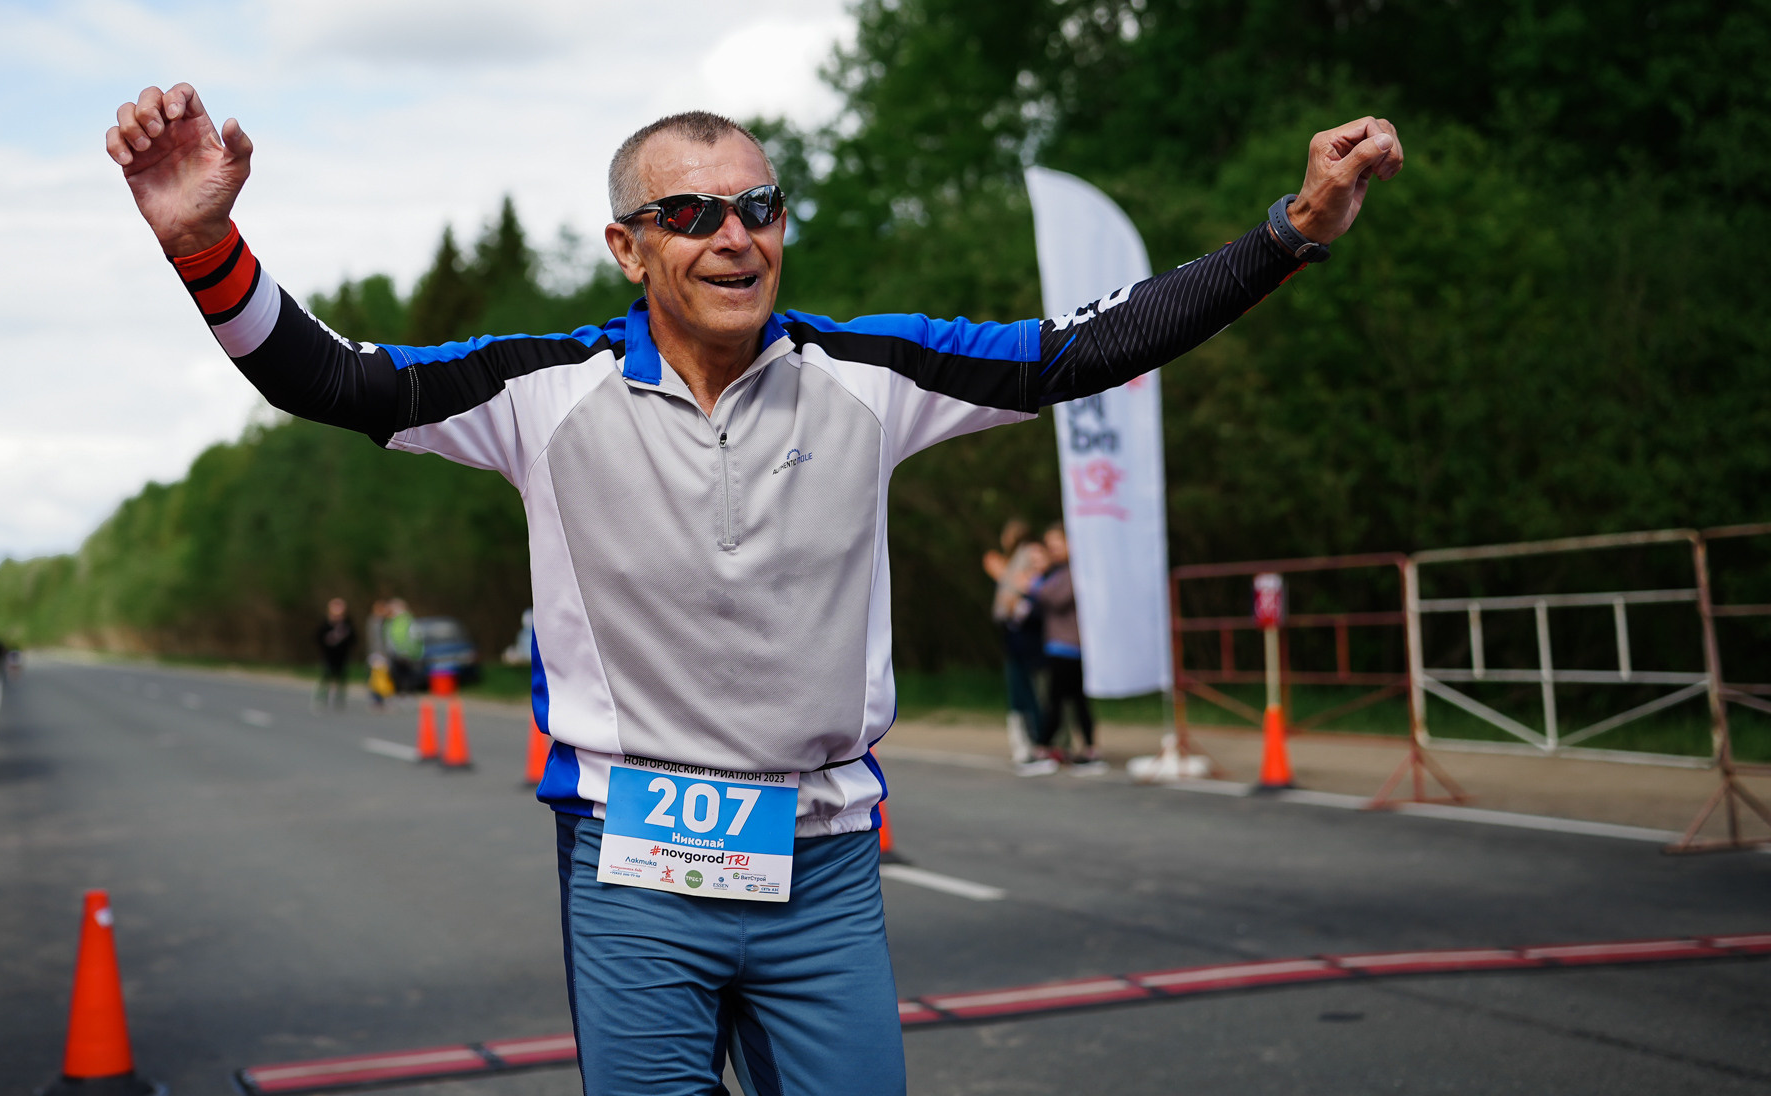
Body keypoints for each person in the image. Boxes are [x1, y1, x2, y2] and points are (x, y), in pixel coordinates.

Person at [107, 84, 1400, 1096]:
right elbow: (330, 379)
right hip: (632, 862)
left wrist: (1291, 234)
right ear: (627, 246)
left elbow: (1086, 347)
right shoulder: (540, 391)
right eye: (694, 214)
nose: (736, 235)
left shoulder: (870, 375)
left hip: (822, 861)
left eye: (760, 208)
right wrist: (209, 250)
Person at [1029, 524, 1103, 773]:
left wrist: (1031, 584)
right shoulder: (1057, 572)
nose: (1053, 550)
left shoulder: (1075, 571)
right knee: (1068, 700)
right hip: (1058, 645)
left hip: (1069, 646)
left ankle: (1046, 748)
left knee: (1061, 700)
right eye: (1050, 546)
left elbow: (1056, 599)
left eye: (1057, 544)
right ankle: (1080, 747)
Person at [982, 520, 1045, 765]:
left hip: (1029, 637)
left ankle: (1037, 744)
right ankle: (1025, 744)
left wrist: (1000, 575)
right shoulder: (1015, 558)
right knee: (1020, 693)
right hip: (1014, 637)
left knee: (1031, 694)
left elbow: (1021, 596)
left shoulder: (1027, 554)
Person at [315, 597, 357, 708]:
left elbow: (354, 638)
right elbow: (318, 638)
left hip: (342, 655)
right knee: (326, 676)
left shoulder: (347, 624)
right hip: (328, 655)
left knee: (341, 677)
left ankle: (339, 699)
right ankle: (322, 697)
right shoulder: (326, 624)